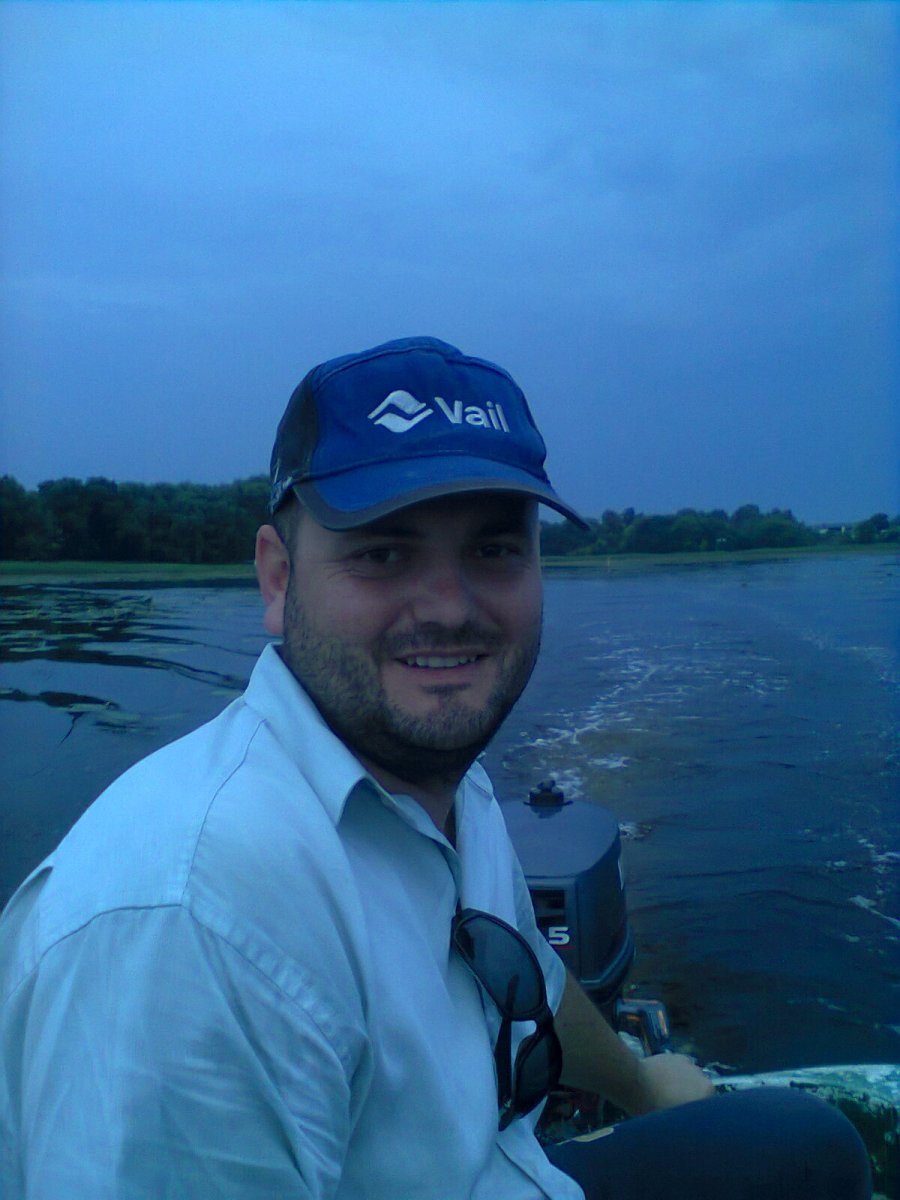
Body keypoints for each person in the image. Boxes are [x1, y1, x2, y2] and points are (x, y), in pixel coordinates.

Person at [0, 337, 870, 1199]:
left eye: (493, 550)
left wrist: (641, 1084)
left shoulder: (441, 780)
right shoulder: (189, 926)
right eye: (383, 552)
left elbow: (530, 978)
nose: (450, 609)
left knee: (807, 1149)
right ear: (278, 579)